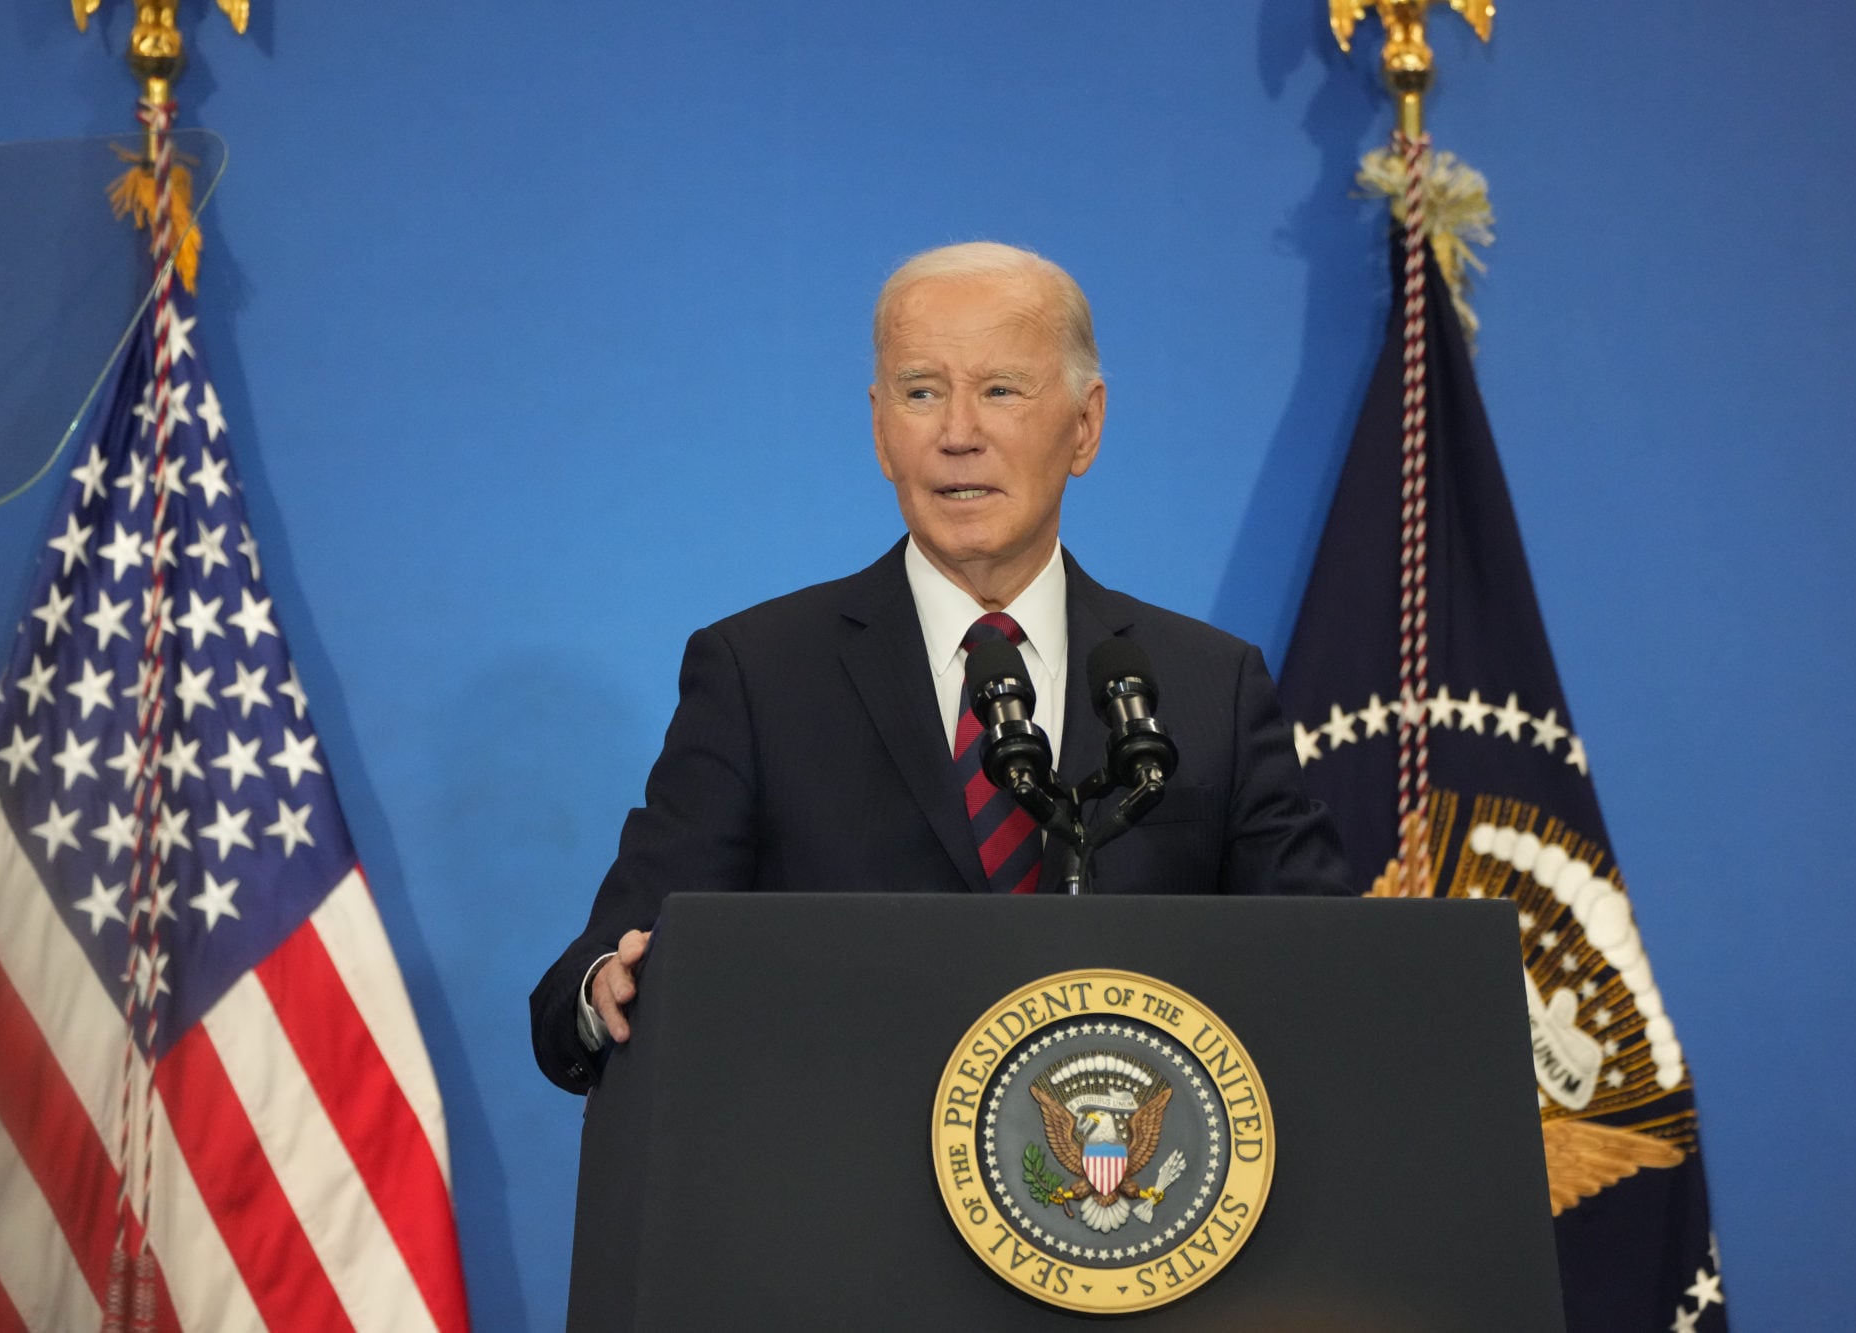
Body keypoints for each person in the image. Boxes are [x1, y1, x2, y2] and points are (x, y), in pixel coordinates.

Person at [530, 242, 1351, 1094]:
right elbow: (589, 980)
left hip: (1121, 1195)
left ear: (1085, 424)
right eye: (923, 393)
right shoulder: (758, 674)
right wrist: (605, 987)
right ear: (883, 431)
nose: (959, 434)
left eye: (1001, 390)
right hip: (844, 1195)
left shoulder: (1206, 685)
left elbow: (1330, 972)